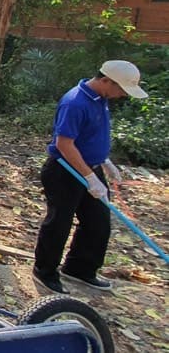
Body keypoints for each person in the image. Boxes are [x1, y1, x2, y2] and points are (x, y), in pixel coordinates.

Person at [33, 60, 147, 294]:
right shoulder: (75, 102)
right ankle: (45, 271)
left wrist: (103, 161)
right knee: (59, 222)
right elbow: (64, 144)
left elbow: (90, 135)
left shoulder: (101, 100)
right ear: (106, 80)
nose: (121, 95)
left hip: (89, 168)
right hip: (65, 170)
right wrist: (89, 177)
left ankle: (79, 269)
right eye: (121, 90)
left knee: (98, 222)